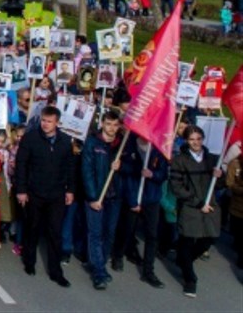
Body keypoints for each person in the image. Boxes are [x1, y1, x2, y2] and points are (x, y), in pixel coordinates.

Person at [14, 105, 75, 287]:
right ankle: (29, 262)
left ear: (57, 123)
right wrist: (21, 190)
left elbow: (70, 167)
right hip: (34, 192)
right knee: (32, 228)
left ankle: (56, 271)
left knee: (55, 233)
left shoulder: (65, 141)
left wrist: (70, 190)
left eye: (49, 121)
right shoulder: (30, 138)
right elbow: (21, 165)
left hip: (56, 194)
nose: (45, 124)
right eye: (43, 120)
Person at [168, 125, 222, 298]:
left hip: (210, 205)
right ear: (186, 141)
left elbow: (220, 186)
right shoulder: (179, 160)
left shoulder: (212, 159)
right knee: (187, 241)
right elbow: (177, 188)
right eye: (192, 139)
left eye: (198, 138)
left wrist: (219, 176)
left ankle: (184, 260)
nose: (196, 142)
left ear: (203, 139)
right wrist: (198, 203)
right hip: (191, 206)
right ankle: (190, 279)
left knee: (210, 238)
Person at [114, 133, 168, 288]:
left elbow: (163, 174)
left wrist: (153, 174)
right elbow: (124, 172)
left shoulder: (159, 147)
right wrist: (132, 200)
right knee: (127, 229)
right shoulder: (129, 144)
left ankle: (148, 271)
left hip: (151, 198)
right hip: (133, 195)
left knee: (152, 235)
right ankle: (118, 255)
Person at [80, 110, 122, 290]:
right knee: (95, 233)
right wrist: (92, 197)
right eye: (108, 124)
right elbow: (87, 171)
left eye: (115, 125)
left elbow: (132, 169)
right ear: (102, 124)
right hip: (97, 195)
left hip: (114, 196)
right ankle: (98, 271)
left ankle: (100, 262)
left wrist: (122, 165)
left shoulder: (121, 145)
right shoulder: (93, 143)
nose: (111, 128)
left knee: (109, 232)